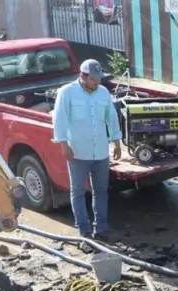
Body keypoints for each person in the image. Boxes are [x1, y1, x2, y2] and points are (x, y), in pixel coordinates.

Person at [52, 59, 122, 245]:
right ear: (82, 76)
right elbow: (60, 119)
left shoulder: (103, 92)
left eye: (98, 78)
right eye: (93, 79)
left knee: (101, 190)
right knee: (78, 191)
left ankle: (101, 229)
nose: (97, 82)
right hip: (78, 152)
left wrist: (116, 141)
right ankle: (83, 231)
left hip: (100, 151)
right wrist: (63, 144)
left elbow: (111, 116)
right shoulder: (67, 92)